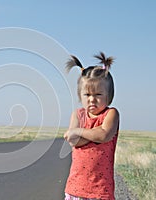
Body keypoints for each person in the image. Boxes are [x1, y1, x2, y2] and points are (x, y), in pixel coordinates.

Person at [63, 52, 120, 200]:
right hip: (75, 187)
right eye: (87, 95)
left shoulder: (111, 114)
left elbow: (104, 135)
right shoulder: (78, 115)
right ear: (80, 95)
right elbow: (74, 141)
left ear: (109, 95)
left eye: (98, 95)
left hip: (100, 190)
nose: (92, 100)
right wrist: (94, 134)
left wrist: (78, 131)